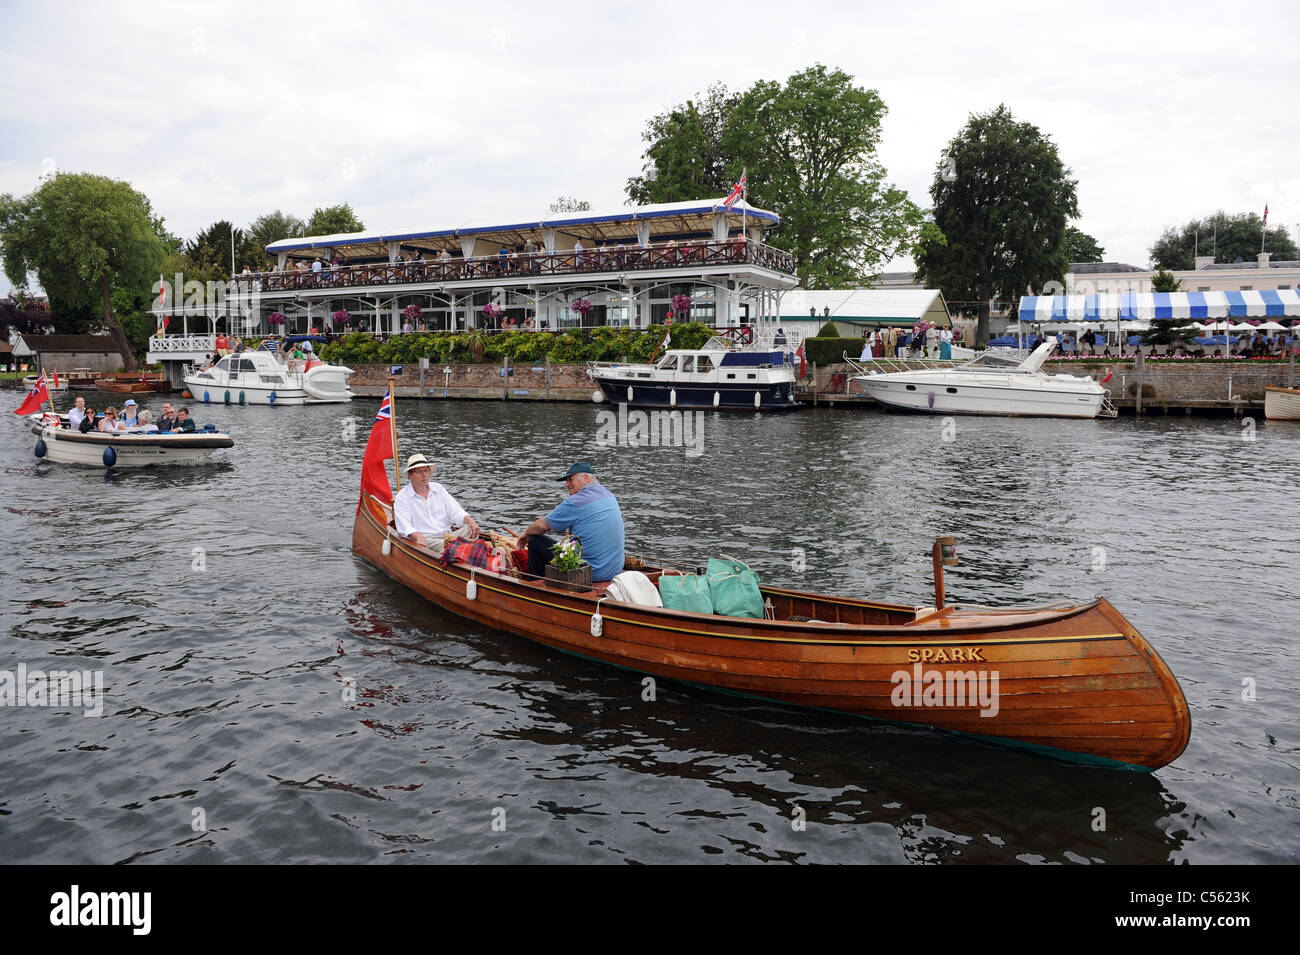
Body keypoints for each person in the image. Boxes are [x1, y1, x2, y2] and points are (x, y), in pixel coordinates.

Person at [517, 461, 624, 582]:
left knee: (535, 540)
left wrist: (526, 533)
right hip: (613, 571)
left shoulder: (576, 502)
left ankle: (535, 587)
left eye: (570, 479)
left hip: (589, 573)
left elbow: (542, 525)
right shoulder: (609, 496)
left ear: (585, 478)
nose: (567, 484)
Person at [393, 453, 480, 553]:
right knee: (446, 545)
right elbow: (404, 525)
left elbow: (456, 512)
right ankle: (464, 548)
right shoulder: (402, 496)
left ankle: (460, 548)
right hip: (427, 540)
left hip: (448, 536)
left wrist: (470, 521)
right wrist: (416, 535)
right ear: (410, 475)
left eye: (426, 470)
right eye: (419, 472)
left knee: (471, 530)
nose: (424, 475)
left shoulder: (439, 489)